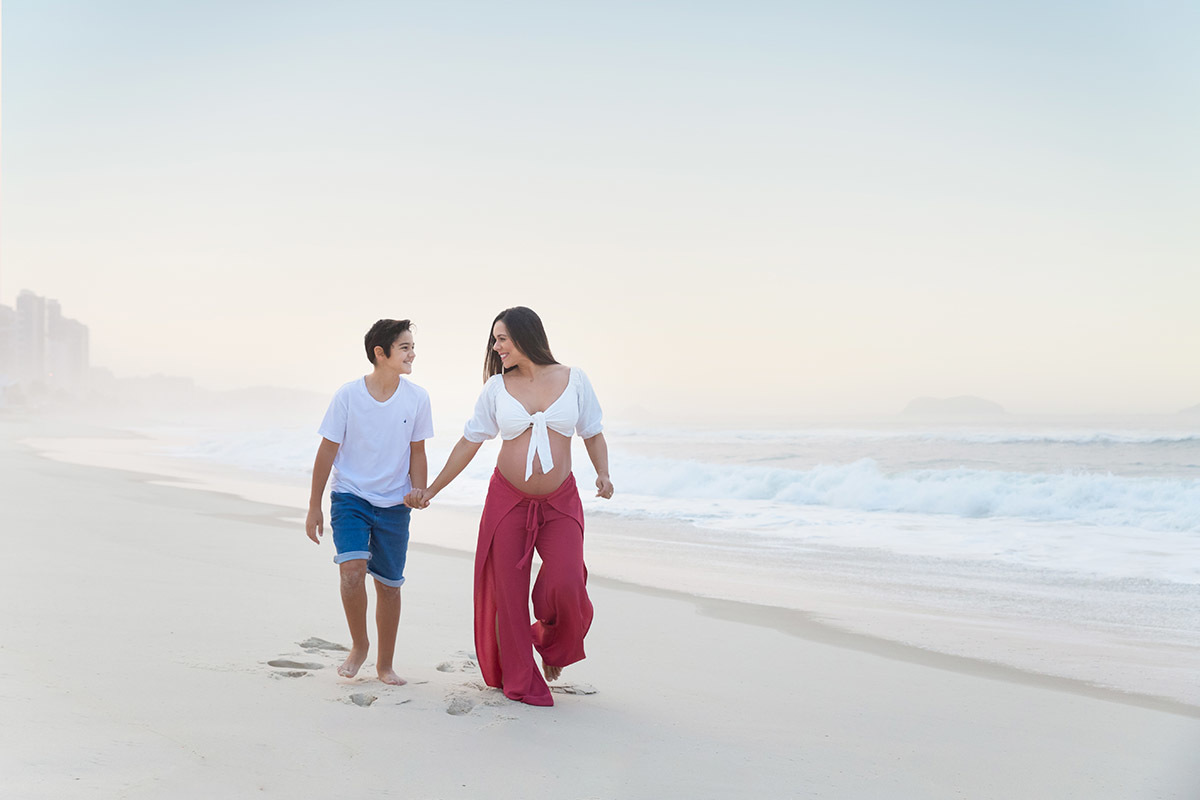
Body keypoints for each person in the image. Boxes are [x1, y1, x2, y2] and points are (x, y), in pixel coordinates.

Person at [406, 306, 612, 707]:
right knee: (508, 595)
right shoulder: (497, 388)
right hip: (508, 501)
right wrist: (431, 489)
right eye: (494, 340)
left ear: (526, 335)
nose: (496, 347)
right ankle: (522, 681)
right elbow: (470, 441)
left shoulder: (574, 380)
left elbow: (593, 432)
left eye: (502, 338)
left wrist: (603, 473)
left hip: (560, 499)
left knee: (567, 581)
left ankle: (551, 644)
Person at [305, 318, 433, 685]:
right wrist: (314, 506)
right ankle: (359, 646)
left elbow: (418, 452)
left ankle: (384, 664)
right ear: (381, 352)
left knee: (390, 587)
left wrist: (418, 490)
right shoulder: (348, 395)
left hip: (395, 504)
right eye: (405, 347)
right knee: (351, 572)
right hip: (350, 497)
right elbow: (327, 451)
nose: (412, 353)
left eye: (412, 346)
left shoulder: (418, 397)